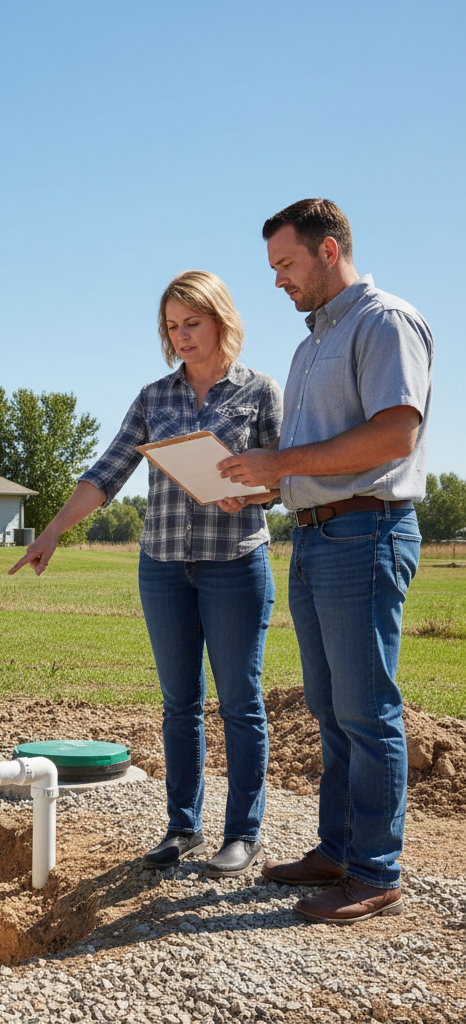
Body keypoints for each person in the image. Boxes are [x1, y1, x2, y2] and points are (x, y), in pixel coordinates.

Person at [10, 271, 282, 877]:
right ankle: (183, 828)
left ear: (220, 320)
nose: (181, 337)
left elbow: (284, 477)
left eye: (192, 324)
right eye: (171, 327)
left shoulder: (259, 390)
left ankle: (241, 833)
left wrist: (254, 493)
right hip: (162, 567)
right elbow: (106, 473)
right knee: (179, 704)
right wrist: (51, 532)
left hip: (236, 565)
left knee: (240, 703)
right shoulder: (154, 397)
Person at [218, 199, 433, 924]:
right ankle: (338, 851)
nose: (278, 280)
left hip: (365, 536)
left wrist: (281, 462)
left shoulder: (384, 323)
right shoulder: (311, 346)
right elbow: (313, 460)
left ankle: (376, 871)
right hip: (312, 536)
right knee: (330, 711)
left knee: (368, 712)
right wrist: (261, 488)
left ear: (329, 250)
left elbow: (394, 436)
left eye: (285, 264)